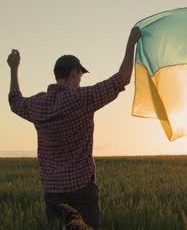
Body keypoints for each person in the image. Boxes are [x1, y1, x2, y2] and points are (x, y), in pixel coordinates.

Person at [7, 27, 142, 229]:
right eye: (80, 75)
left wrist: (13, 68)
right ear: (74, 73)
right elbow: (122, 78)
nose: (80, 81)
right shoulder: (81, 99)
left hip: (52, 193)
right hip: (81, 191)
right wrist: (131, 42)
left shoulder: (37, 104)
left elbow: (14, 101)